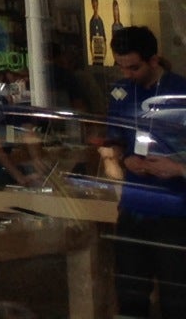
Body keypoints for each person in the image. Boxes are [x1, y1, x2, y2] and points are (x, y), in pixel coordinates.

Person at [103, 25, 186, 318]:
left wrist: (178, 168)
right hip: (133, 206)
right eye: (121, 66)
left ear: (154, 60)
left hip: (175, 211)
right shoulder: (120, 93)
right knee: (130, 296)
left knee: (176, 299)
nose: (127, 74)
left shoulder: (180, 92)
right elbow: (113, 144)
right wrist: (124, 159)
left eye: (134, 67)